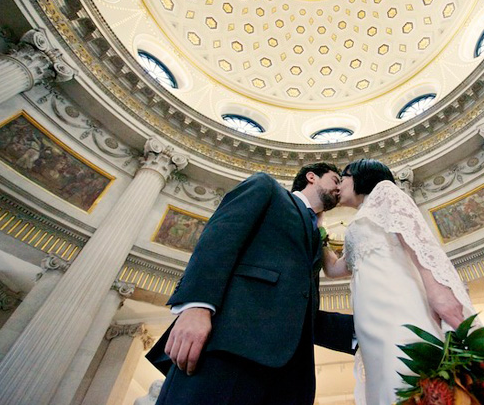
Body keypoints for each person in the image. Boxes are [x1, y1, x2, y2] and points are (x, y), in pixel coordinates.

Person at [146, 163, 355, 405]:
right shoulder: (268, 189)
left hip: (283, 377)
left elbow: (300, 308)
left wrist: (365, 334)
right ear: (311, 177)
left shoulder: (316, 234)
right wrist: (195, 307)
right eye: (335, 180)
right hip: (227, 351)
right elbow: (219, 239)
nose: (339, 187)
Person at [323, 159, 476, 405]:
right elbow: (334, 269)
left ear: (361, 176)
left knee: (406, 369)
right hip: (370, 317)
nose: (340, 185)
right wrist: (319, 230)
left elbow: (417, 241)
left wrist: (438, 292)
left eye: (344, 177)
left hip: (399, 300)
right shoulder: (359, 219)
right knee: (383, 377)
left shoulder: (385, 192)